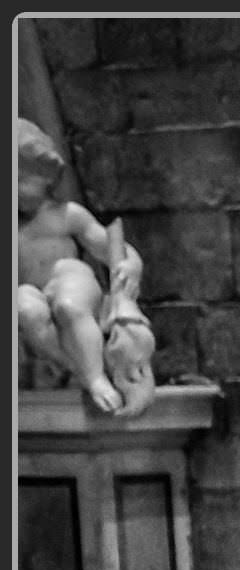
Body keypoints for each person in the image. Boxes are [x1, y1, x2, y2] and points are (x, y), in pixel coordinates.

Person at [15, 116, 148, 417]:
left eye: (23, 182)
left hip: (67, 278)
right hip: (32, 289)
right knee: (24, 308)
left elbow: (111, 246)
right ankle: (80, 369)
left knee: (69, 304)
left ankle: (96, 377)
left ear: (46, 180)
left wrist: (132, 267)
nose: (18, 191)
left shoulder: (65, 215)